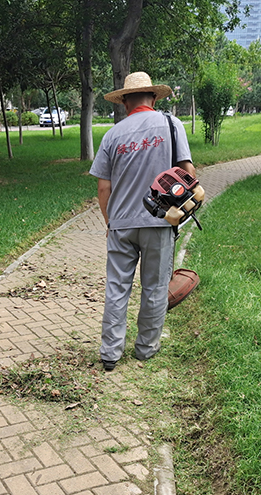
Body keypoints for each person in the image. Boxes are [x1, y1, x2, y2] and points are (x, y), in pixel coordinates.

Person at [89, 72, 196, 371]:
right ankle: (146, 348)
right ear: (153, 98)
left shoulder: (113, 135)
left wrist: (111, 222)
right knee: (154, 288)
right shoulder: (171, 125)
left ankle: (110, 353)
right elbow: (187, 170)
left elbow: (103, 188)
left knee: (116, 288)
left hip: (121, 224)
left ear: (125, 102)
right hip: (159, 221)